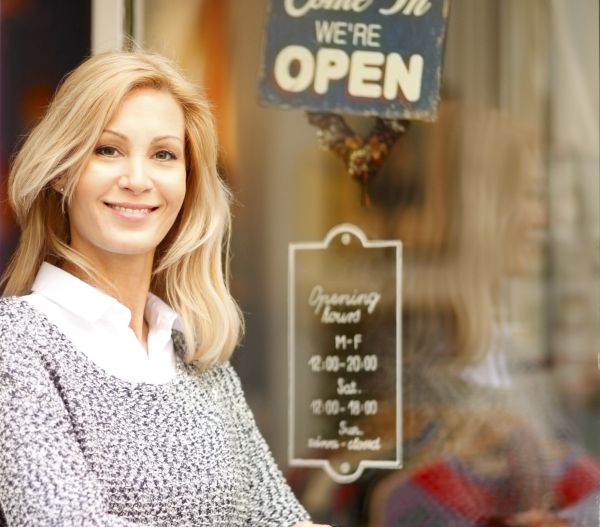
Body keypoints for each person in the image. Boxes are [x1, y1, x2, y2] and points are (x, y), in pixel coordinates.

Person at [0, 50, 330, 527]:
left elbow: (279, 517)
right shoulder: (16, 341)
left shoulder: (194, 354)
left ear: (188, 182)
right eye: (107, 149)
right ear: (62, 171)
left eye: (163, 155)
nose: (137, 180)